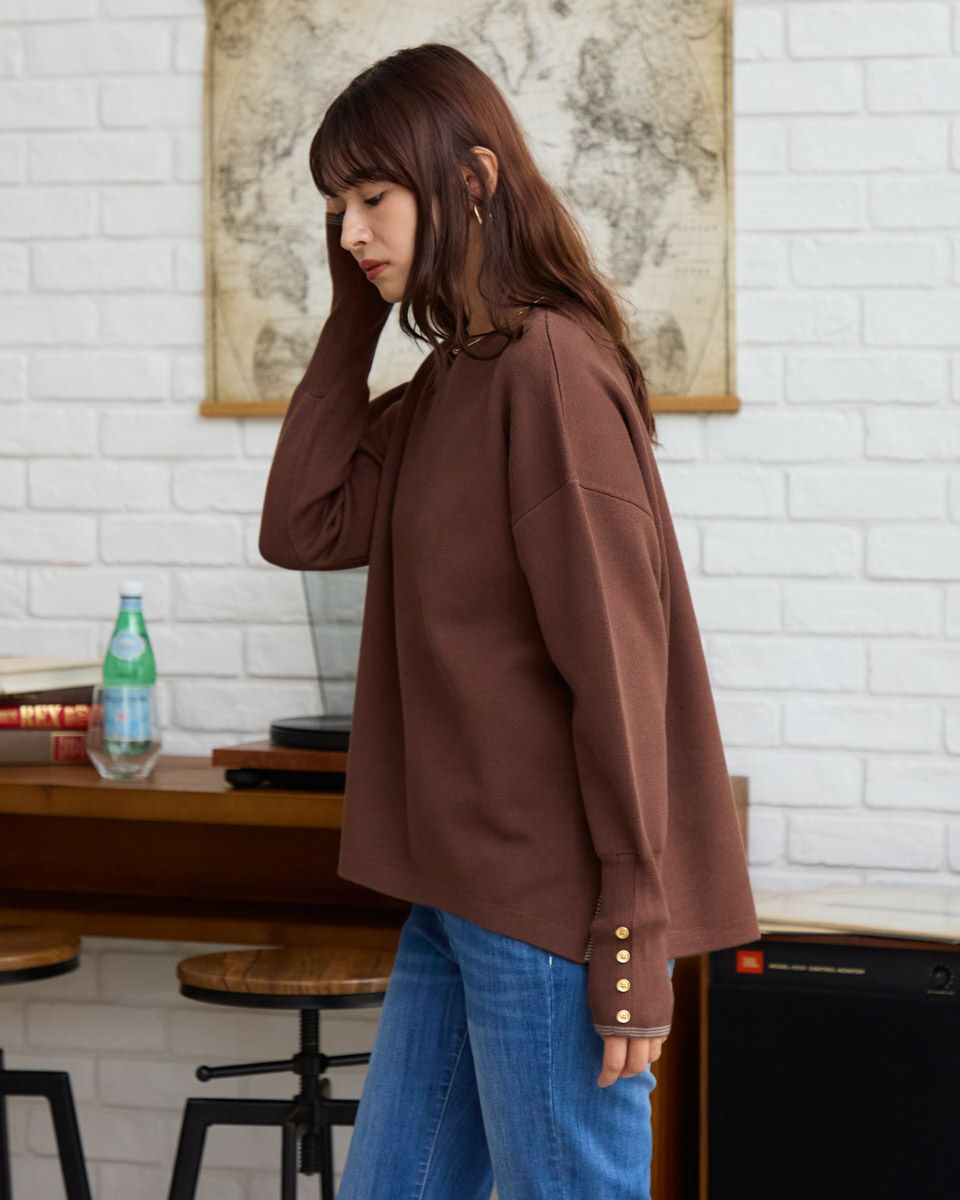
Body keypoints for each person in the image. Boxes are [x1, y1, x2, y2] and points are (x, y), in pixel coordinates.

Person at [259, 42, 760, 1200]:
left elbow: (620, 669)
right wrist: (350, 316)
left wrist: (631, 935)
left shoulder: (548, 370)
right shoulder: (456, 377)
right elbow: (304, 526)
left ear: (472, 180)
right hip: (460, 893)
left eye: (373, 199)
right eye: (337, 208)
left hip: (549, 912)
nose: (352, 231)